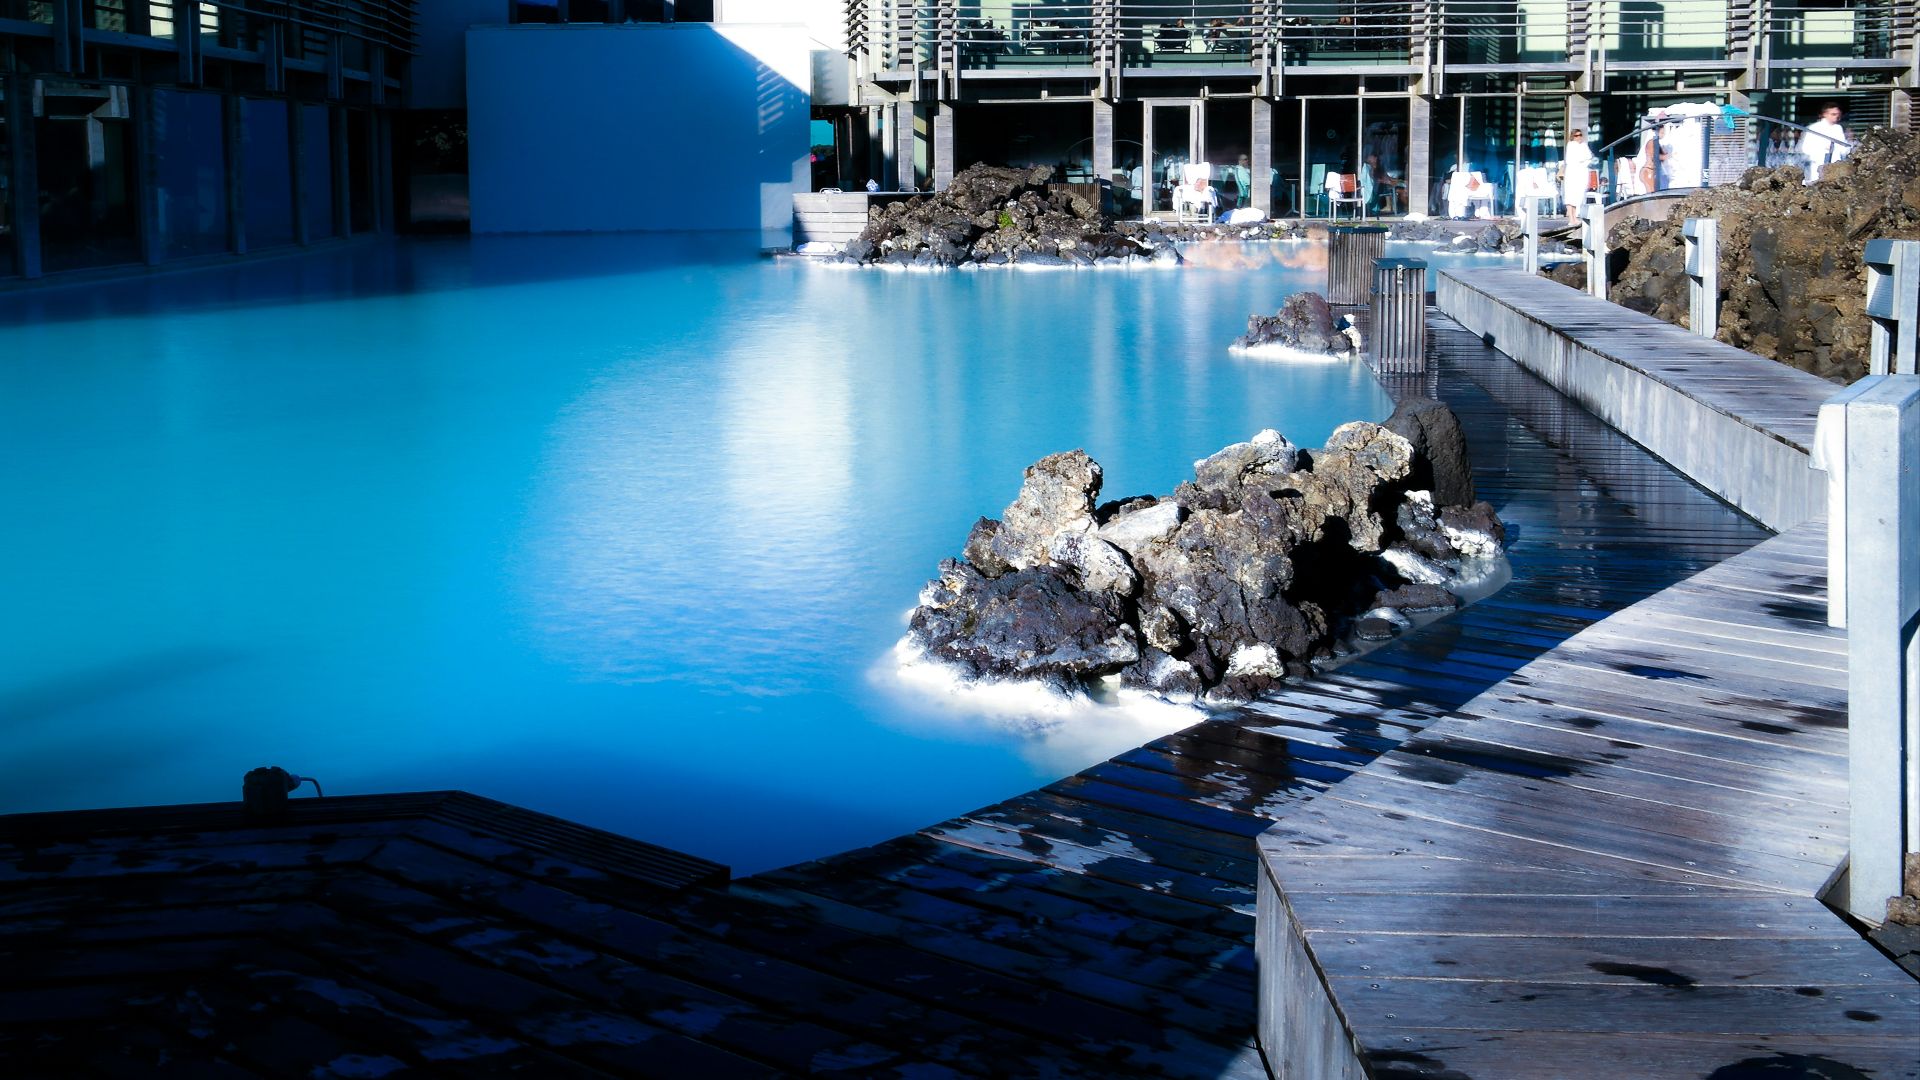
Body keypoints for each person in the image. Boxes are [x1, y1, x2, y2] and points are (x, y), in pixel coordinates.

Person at [1799, 102, 1853, 183]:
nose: (1837, 116)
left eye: (1838, 114)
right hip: (1817, 166)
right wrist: (1823, 148)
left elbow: (1843, 149)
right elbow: (1805, 148)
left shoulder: (1838, 128)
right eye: (1833, 114)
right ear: (1825, 114)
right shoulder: (1814, 128)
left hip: (1835, 165)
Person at [1560, 127, 1593, 218]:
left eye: (1580, 135)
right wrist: (1583, 159)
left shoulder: (1584, 145)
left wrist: (1583, 160)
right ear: (1573, 136)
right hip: (1572, 173)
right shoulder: (1571, 145)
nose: (1579, 137)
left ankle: (1576, 215)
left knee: (1579, 195)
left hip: (1582, 173)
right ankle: (1571, 218)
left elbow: (1589, 157)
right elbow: (1573, 159)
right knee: (1571, 196)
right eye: (1576, 135)